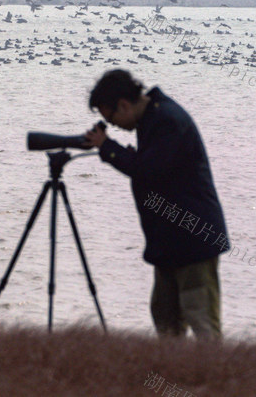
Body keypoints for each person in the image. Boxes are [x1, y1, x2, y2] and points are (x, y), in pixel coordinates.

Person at [83, 69, 229, 340]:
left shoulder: (167, 121)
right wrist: (115, 150)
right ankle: (175, 377)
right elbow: (155, 168)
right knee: (165, 319)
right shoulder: (154, 117)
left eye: (111, 118)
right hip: (171, 241)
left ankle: (215, 380)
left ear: (124, 105)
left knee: (202, 322)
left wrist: (107, 147)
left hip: (193, 240)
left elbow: (147, 171)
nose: (113, 125)